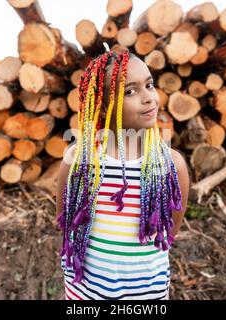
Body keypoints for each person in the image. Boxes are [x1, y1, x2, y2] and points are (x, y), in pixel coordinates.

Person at [56, 50, 189, 300]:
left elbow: (171, 231)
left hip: (146, 295)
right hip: (86, 293)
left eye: (149, 85)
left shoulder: (171, 165)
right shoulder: (78, 160)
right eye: (131, 91)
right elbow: (64, 220)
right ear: (104, 107)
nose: (149, 98)